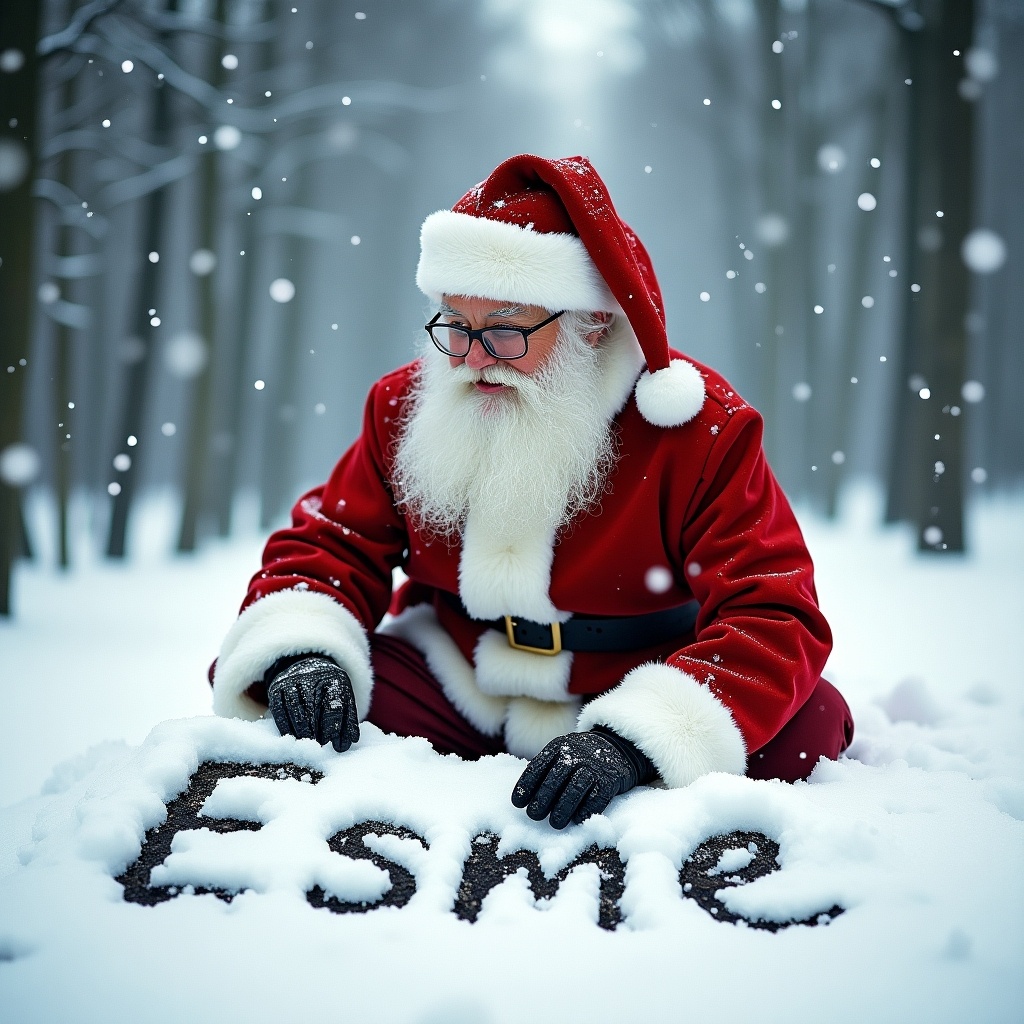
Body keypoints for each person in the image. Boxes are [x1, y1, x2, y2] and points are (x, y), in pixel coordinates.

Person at [211, 153, 854, 830]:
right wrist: (305, 651)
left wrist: (635, 741)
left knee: (807, 724)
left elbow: (774, 610)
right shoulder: (404, 405)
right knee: (296, 695)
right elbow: (331, 543)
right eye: (455, 326)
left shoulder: (697, 427)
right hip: (456, 676)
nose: (473, 358)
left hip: (637, 672)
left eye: (507, 331)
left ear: (591, 322)